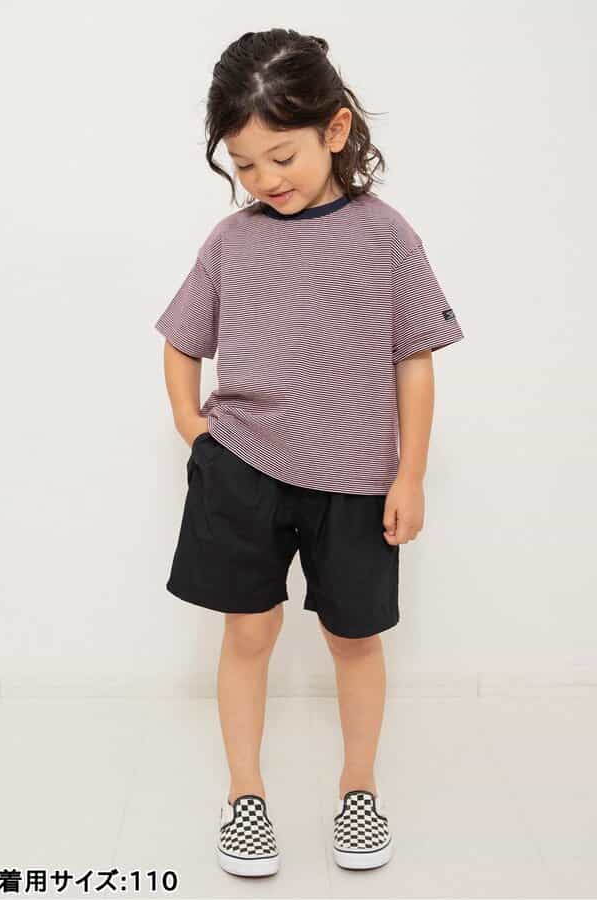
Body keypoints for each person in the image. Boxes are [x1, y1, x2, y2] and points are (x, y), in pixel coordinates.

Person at [154, 28, 465, 878]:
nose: (264, 180)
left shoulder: (386, 237)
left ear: (335, 129)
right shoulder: (232, 242)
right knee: (248, 633)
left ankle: (359, 790)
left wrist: (410, 472)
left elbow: (413, 359)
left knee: (354, 638)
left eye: (281, 156)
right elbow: (181, 339)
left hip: (355, 477)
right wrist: (194, 429)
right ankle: (244, 797)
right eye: (245, 165)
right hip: (242, 467)